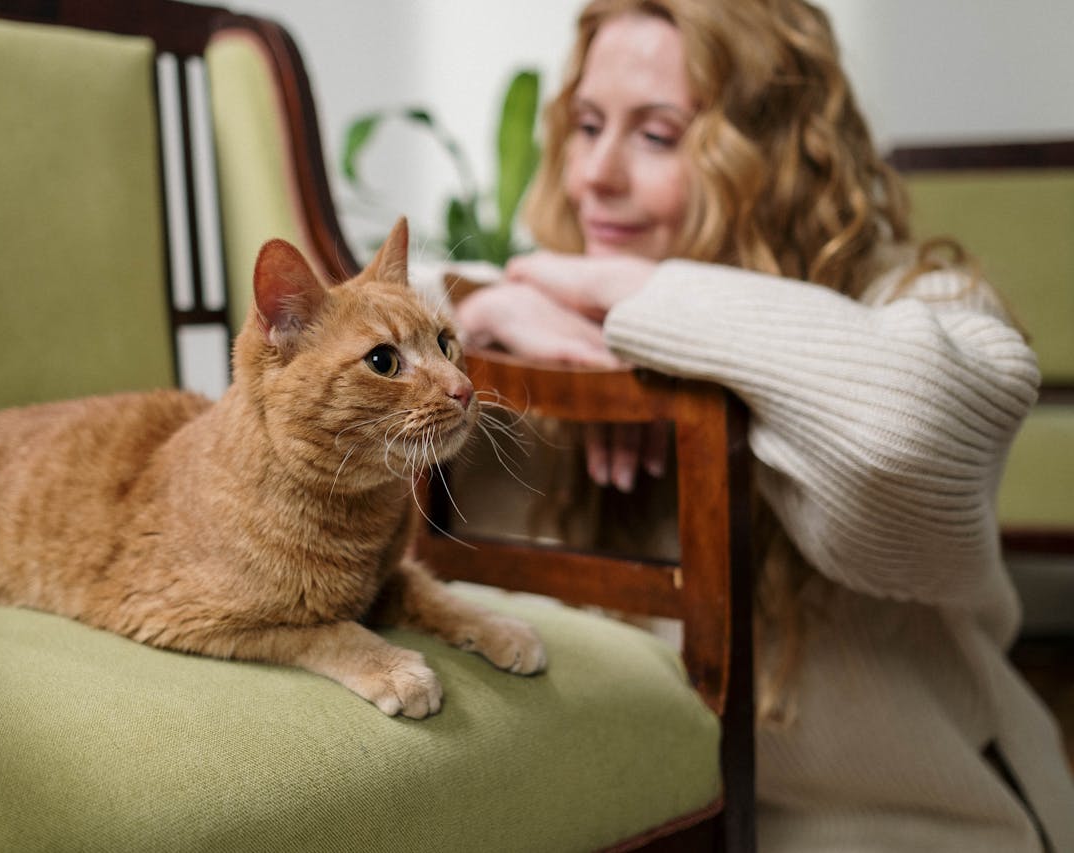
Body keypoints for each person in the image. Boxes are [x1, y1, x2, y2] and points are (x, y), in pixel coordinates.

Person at [453, 1, 1074, 850]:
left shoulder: (910, 304)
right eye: (586, 124)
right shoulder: (535, 313)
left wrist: (647, 308)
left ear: (769, 156)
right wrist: (492, 306)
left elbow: (902, 431)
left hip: (923, 827)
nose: (594, 174)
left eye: (658, 136)